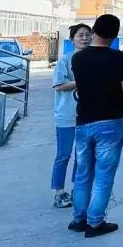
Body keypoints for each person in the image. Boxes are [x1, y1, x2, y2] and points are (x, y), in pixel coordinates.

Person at [68, 14, 123, 238]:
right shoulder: (119, 58)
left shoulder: (78, 59)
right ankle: (95, 223)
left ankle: (79, 219)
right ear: (115, 35)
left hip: (83, 123)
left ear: (94, 31)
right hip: (110, 123)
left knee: (83, 174)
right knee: (104, 176)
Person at [50, 23, 90, 208]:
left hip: (87, 116)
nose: (84, 38)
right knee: (64, 155)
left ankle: (77, 189)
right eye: (80, 35)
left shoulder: (92, 59)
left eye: (87, 34)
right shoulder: (65, 61)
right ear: (72, 39)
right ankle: (59, 192)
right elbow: (58, 86)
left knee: (82, 156)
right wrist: (81, 82)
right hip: (66, 115)